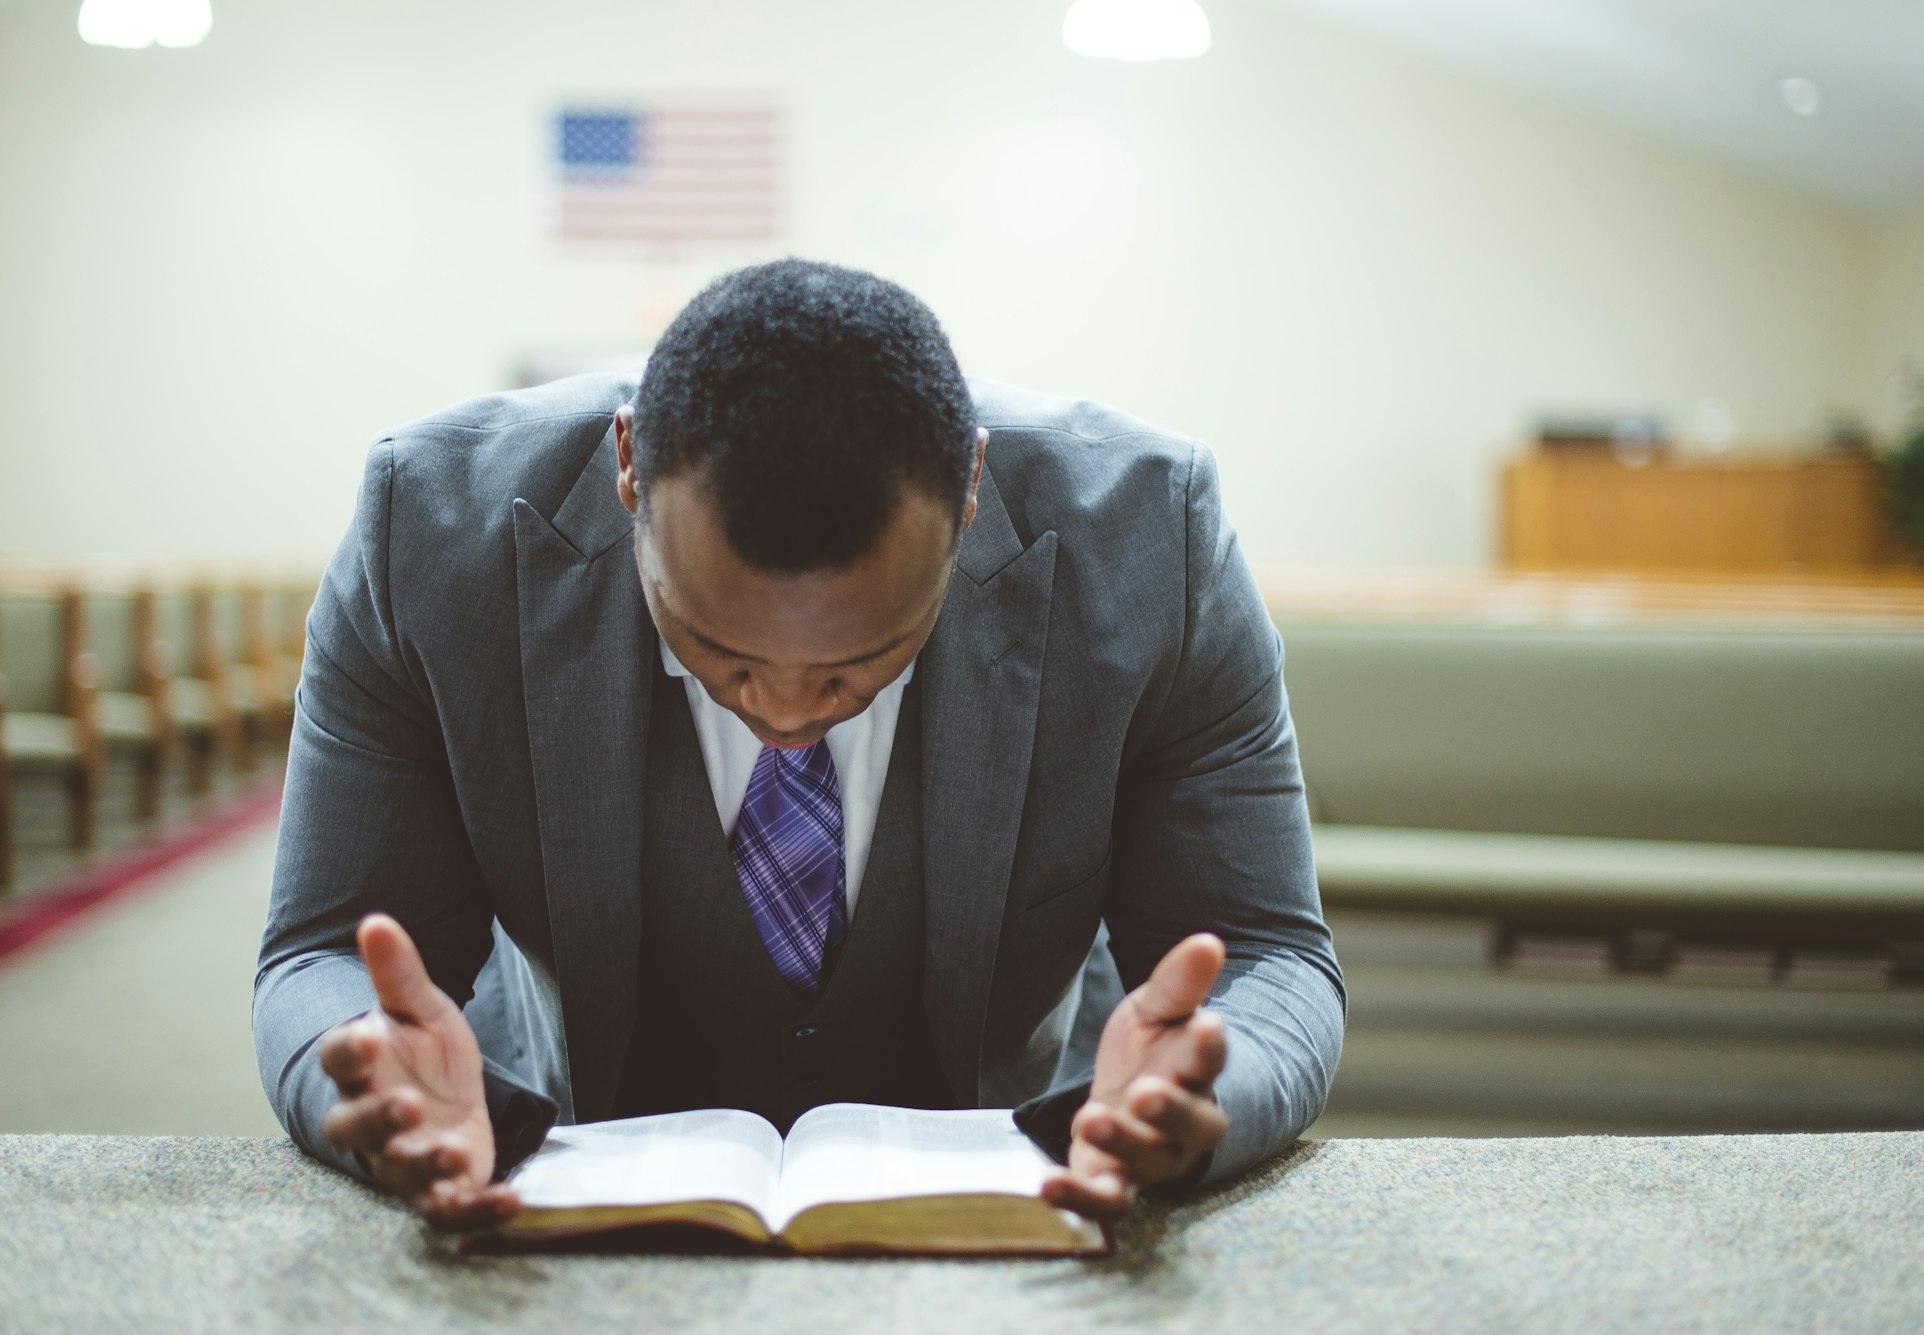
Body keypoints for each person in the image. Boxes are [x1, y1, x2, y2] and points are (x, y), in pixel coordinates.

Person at [253, 258, 1345, 1231]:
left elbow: (1265, 956)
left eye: (858, 662)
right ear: (626, 466)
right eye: (713, 647)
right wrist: (366, 1086)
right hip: (569, 1197)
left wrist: (1200, 1102)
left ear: (969, 491)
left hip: (1019, 1200)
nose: (781, 711)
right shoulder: (430, 529)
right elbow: (323, 953)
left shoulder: (1154, 536)